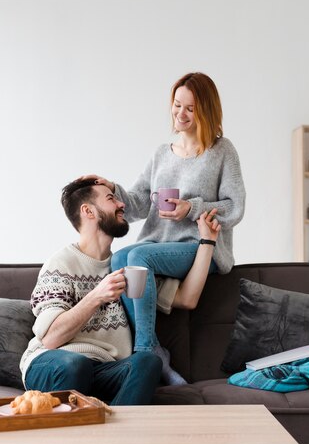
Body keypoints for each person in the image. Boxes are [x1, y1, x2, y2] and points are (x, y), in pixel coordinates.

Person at [20, 176, 220, 444]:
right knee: (76, 366)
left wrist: (207, 242)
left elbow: (186, 299)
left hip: (104, 370)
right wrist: (96, 296)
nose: (122, 203)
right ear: (88, 211)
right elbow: (51, 339)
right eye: (111, 198)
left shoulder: (129, 268)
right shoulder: (61, 264)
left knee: (147, 361)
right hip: (51, 365)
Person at [87, 72, 245, 385]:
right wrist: (111, 188)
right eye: (177, 106)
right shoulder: (161, 153)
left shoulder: (222, 150)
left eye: (190, 108)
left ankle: (145, 350)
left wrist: (194, 208)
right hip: (158, 247)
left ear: (206, 110)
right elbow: (138, 205)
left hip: (200, 248)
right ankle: (156, 352)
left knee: (139, 259)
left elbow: (235, 207)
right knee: (120, 260)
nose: (181, 114)